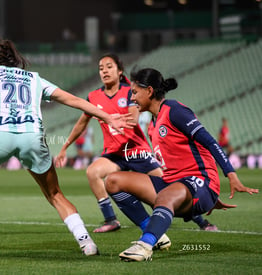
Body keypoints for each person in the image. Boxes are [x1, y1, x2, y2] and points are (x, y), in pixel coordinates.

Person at [0, 31, 134, 256]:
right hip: (32, 137)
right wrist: (107, 116)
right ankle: (86, 242)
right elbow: (73, 100)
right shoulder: (34, 78)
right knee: (55, 194)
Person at [104, 68, 259, 262]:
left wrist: (230, 176)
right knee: (113, 181)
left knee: (165, 196)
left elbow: (210, 142)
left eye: (134, 92)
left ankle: (145, 245)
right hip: (175, 184)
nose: (132, 98)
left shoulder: (174, 110)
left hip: (201, 181)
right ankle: (155, 235)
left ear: (149, 91)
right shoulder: (153, 123)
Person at [56, 54, 166, 237]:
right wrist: (64, 147)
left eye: (109, 67)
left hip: (136, 150)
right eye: (101, 68)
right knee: (92, 172)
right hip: (114, 154)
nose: (104, 71)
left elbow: (134, 119)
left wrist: (112, 118)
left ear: (119, 71)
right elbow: (81, 123)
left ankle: (200, 220)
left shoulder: (130, 91)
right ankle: (110, 220)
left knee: (167, 189)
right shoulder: (93, 96)